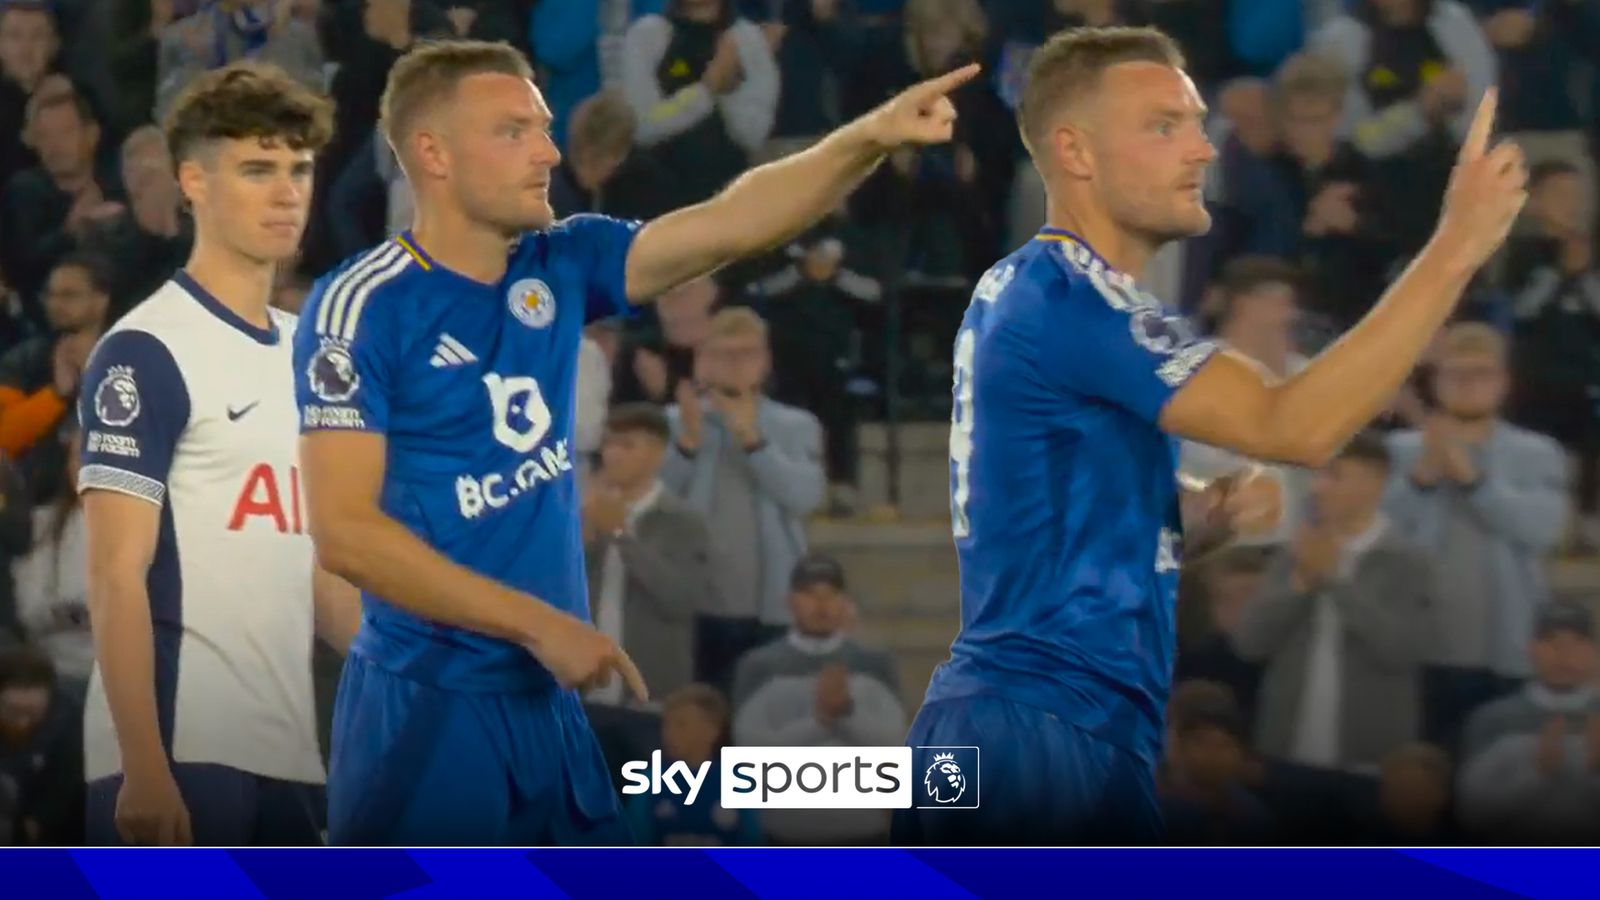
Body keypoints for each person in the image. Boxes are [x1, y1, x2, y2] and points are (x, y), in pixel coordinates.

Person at [292, 38, 976, 846]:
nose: (548, 151)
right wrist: (537, 623)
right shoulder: (363, 307)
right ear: (432, 154)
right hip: (429, 703)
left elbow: (732, 222)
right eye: (514, 131)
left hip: (548, 701)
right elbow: (347, 534)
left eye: (543, 128)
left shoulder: (561, 261)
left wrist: (869, 135)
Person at [892, 26, 1526, 847]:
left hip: (1034, 729)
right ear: (1075, 152)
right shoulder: (1075, 301)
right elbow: (1294, 427)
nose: (1201, 150)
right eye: (1164, 126)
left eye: (1197, 123)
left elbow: (1050, 524)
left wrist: (1187, 522)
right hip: (1040, 737)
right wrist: (1456, 248)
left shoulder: (1032, 290)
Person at [77, 62, 360, 848]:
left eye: (300, 170)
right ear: (193, 182)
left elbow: (319, 569)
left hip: (290, 753)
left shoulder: (312, 353)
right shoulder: (145, 349)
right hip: (178, 752)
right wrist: (143, 762)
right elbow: (113, 573)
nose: (288, 192)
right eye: (258, 169)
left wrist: (432, 682)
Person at [665, 307, 826, 693]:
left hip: (771, 602)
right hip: (695, 603)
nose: (735, 365)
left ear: (765, 362)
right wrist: (687, 443)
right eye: (723, 355)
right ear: (703, 361)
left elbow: (805, 497)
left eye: (747, 354)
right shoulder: (675, 420)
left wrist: (753, 441)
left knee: (763, 720)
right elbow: (656, 503)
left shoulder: (795, 424)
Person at [732, 553, 905, 845]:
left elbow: (896, 744)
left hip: (864, 834)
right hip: (781, 836)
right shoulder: (759, 666)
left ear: (844, 603)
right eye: (810, 595)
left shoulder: (874, 663)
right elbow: (747, 751)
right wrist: (822, 721)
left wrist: (845, 713)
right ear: (790, 602)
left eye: (831, 595)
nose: (821, 605)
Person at [1456, 598, 1600, 843]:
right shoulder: (1492, 720)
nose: (1564, 654)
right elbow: (1471, 815)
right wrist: (1539, 775)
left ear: (1594, 652)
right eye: (1552, 641)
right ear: (1531, 649)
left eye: (1577, 642)